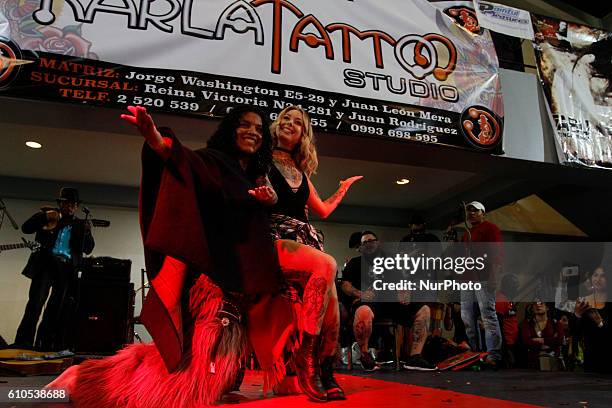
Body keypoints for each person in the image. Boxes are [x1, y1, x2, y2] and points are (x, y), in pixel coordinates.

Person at [48, 105, 340, 405]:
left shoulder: (253, 175)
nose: (252, 131)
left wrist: (268, 201)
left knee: (212, 375)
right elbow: (183, 160)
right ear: (230, 129)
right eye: (244, 125)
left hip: (240, 289)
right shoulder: (214, 161)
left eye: (257, 128)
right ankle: (83, 380)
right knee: (189, 385)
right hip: (215, 289)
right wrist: (155, 140)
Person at [268, 105, 361, 400]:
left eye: (298, 122)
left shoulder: (301, 174)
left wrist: (343, 189)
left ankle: (326, 370)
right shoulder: (259, 160)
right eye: (286, 118)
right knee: (329, 263)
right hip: (273, 238)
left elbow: (323, 210)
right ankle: (305, 362)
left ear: (303, 135)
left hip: (305, 243)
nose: (290, 123)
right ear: (276, 125)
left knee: (333, 305)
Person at [340, 231, 435, 371]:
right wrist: (359, 293)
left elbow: (402, 282)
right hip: (369, 301)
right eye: (365, 242)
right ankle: (365, 355)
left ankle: (415, 357)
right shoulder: (355, 263)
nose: (369, 244)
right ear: (360, 246)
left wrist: (405, 293)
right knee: (363, 312)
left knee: (424, 310)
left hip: (391, 302)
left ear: (378, 243)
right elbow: (344, 285)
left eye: (372, 240)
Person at [14, 187, 94, 351]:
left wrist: (87, 232)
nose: (70, 207)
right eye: (67, 204)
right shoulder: (49, 216)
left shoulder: (79, 224)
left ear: (77, 206)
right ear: (61, 204)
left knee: (55, 307)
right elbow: (26, 228)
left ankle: (44, 344)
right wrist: (43, 216)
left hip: (66, 268)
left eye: (73, 204)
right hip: (46, 264)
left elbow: (88, 249)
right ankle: (24, 342)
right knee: (35, 303)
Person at [460, 201, 504, 368]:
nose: (471, 213)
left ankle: (493, 353)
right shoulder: (467, 233)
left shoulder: (490, 228)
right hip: (467, 279)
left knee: (487, 314)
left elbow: (496, 253)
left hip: (483, 277)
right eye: (469, 210)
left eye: (475, 210)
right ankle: (475, 351)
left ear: (482, 213)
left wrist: (494, 276)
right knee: (466, 316)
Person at [573, 267, 611, 373]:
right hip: (590, 358)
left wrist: (600, 322)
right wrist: (577, 315)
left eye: (602, 276)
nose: (598, 279)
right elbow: (575, 333)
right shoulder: (583, 302)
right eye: (595, 275)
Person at [520, 301, 562, 369]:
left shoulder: (555, 323)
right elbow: (526, 341)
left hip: (552, 362)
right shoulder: (527, 323)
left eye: (541, 303)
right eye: (535, 304)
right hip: (532, 364)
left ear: (547, 307)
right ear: (532, 308)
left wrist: (540, 340)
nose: (538, 305)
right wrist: (549, 342)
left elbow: (558, 340)